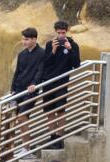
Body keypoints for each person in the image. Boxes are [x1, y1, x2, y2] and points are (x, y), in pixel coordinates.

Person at [41, 20, 81, 149]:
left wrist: (69, 49)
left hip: (62, 83)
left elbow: (76, 64)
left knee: (61, 110)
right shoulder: (49, 44)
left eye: (63, 33)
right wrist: (53, 50)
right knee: (49, 111)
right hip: (48, 82)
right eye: (58, 33)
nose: (61, 35)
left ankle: (60, 138)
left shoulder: (73, 45)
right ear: (55, 32)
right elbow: (45, 63)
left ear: (67, 31)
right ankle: (52, 138)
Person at [9, 27, 48, 158]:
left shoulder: (42, 53)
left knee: (22, 116)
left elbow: (41, 71)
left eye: (26, 39)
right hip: (19, 90)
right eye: (23, 39)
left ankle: (27, 148)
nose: (24, 42)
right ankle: (14, 149)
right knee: (15, 118)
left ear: (34, 39)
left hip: (31, 91)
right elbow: (17, 73)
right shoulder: (22, 54)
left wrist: (34, 84)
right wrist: (12, 89)